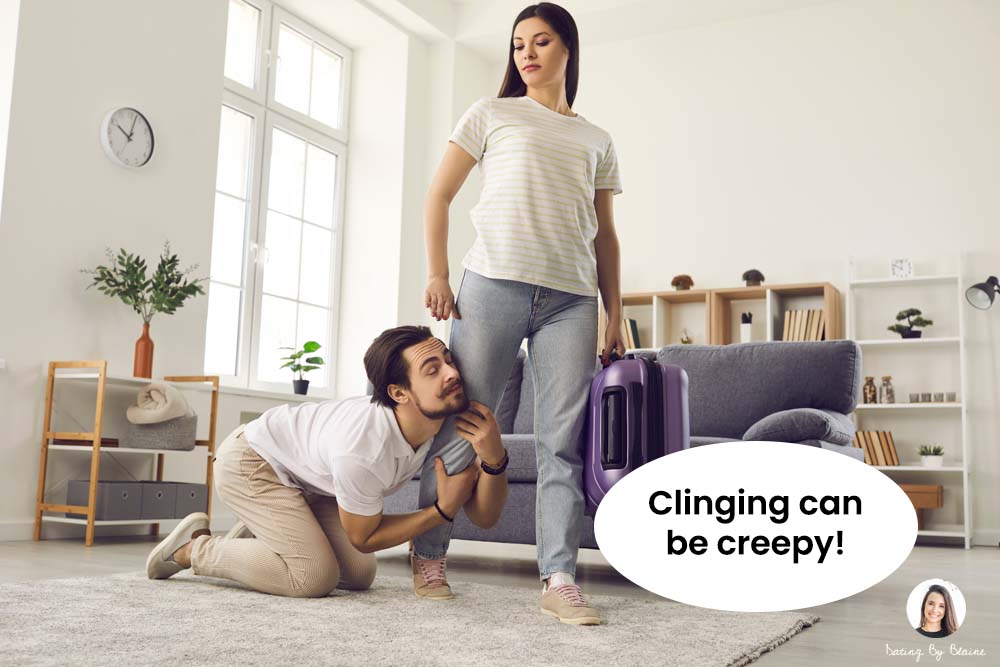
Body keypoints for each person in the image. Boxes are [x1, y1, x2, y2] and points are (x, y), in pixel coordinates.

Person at [414, 2, 625, 625]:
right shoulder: (491, 114)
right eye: (517, 45)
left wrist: (616, 314)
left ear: (568, 50)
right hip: (492, 287)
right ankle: (430, 556)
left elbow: (605, 236)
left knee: (564, 445)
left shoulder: (597, 139)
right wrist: (436, 272)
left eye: (540, 42)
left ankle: (559, 578)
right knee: (462, 423)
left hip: (572, 301)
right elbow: (440, 193)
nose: (526, 54)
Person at [145, 325, 510, 599]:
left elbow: (486, 517)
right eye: (432, 370)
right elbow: (364, 536)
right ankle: (194, 547)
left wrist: (495, 458)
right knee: (312, 578)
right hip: (251, 463)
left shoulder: (449, 418)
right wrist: (440, 512)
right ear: (399, 393)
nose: (452, 373)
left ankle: (266, 532)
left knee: (358, 574)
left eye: (447, 360)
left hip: (309, 481)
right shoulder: (363, 449)